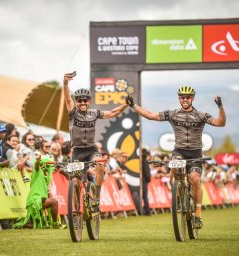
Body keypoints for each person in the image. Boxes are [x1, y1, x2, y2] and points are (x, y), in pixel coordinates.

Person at [126, 85, 226, 229]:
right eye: (182, 97)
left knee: (195, 179)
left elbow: (221, 123)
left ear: (192, 99)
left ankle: (198, 214)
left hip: (195, 152)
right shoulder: (172, 114)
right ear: (179, 99)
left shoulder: (201, 115)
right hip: (179, 151)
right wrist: (133, 105)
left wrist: (220, 107)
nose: (185, 99)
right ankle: (176, 191)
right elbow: (150, 115)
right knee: (174, 166)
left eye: (187, 97)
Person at [63, 72, 128, 207]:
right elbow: (67, 99)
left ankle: (97, 196)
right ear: (76, 102)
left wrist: (126, 104)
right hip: (77, 151)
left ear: (89, 101)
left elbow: (112, 113)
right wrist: (65, 84)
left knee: (100, 164)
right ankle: (76, 212)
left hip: (91, 149)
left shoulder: (94, 113)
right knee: (75, 179)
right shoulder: (73, 112)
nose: (82, 102)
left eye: (85, 100)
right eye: (79, 100)